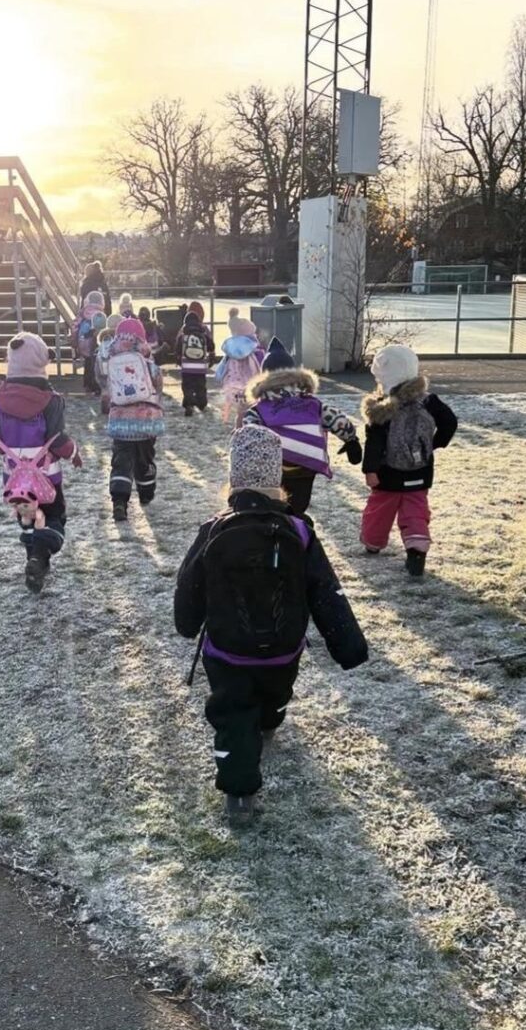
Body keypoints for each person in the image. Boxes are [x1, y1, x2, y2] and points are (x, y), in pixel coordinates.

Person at [173, 425, 368, 825]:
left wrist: (187, 623)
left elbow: (189, 583)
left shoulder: (214, 529)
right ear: (276, 479)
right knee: (276, 691)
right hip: (283, 648)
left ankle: (239, 794)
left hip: (226, 651)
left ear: (234, 478)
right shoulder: (299, 530)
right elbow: (325, 590)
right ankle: (271, 719)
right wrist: (348, 645)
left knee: (232, 713)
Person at [0, 332, 82, 593]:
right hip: (47, 478)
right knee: (54, 516)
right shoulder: (51, 401)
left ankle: (34, 557)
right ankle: (40, 557)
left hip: (15, 480)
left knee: (28, 517)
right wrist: (74, 452)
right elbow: (57, 440)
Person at [360, 343, 458, 578]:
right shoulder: (428, 401)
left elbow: (374, 443)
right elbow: (450, 422)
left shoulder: (381, 408)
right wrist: (433, 445)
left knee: (379, 510)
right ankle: (417, 549)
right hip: (420, 470)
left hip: (387, 474)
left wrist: (370, 470)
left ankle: (372, 542)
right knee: (416, 510)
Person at [243, 337, 361, 516]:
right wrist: (351, 440)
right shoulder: (312, 404)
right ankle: (297, 518)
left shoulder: (259, 410)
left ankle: (280, 522)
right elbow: (336, 419)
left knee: (276, 501)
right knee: (299, 502)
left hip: (275, 465)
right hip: (307, 462)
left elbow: (248, 435)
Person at [106, 315, 165, 521]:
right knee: (145, 458)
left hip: (120, 418)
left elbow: (104, 382)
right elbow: (157, 383)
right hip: (146, 419)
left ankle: (119, 501)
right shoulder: (147, 358)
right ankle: (146, 493)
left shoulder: (110, 357)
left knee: (121, 461)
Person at [215, 308, 264, 424]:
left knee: (240, 411)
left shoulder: (232, 349)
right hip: (251, 385)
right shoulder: (256, 350)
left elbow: (225, 367)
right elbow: (261, 367)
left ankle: (238, 428)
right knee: (252, 409)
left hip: (235, 385)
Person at [175, 310, 215, 416]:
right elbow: (212, 347)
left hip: (187, 366)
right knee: (200, 386)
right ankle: (201, 403)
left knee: (187, 386)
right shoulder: (203, 335)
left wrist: (179, 362)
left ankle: (189, 404)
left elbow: (178, 350)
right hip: (200, 367)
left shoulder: (183, 336)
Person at [73, 289, 106, 394]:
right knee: (94, 363)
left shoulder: (83, 312)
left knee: (87, 362)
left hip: (82, 341)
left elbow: (75, 327)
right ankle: (95, 385)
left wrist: (75, 342)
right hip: (93, 342)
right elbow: (101, 329)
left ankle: (86, 383)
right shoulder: (99, 314)